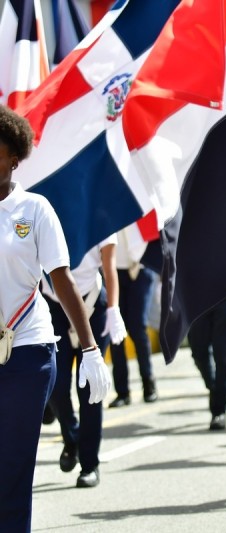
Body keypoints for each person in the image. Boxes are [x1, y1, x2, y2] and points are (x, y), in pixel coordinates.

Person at [0, 105, 112, 530]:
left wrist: (90, 349)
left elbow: (61, 279)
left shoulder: (34, 210)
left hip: (27, 350)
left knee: (12, 464)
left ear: (14, 159)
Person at [41, 234, 126, 488]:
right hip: (54, 306)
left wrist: (113, 309)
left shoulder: (101, 216)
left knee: (90, 388)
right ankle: (72, 437)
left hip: (92, 304)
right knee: (55, 383)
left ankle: (89, 464)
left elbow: (109, 268)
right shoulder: (45, 215)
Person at [108, 223, 158, 407]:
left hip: (142, 266)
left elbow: (154, 223)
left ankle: (148, 383)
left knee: (138, 327)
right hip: (114, 268)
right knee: (116, 331)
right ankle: (122, 392)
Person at [188, 294, 226, 430]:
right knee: (198, 351)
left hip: (225, 296)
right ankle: (214, 388)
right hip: (198, 299)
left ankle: (219, 411)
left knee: (223, 356)